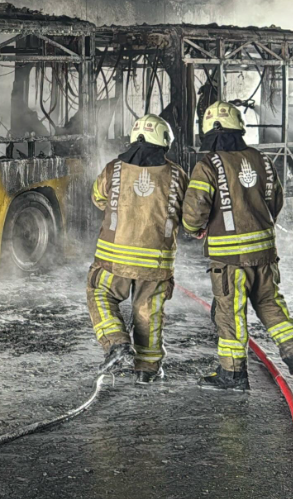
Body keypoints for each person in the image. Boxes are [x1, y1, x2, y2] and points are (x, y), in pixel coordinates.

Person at [182, 101, 293, 391]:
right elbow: (275, 201)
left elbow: (194, 211)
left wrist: (194, 229)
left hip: (231, 259)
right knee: (269, 302)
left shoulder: (209, 165)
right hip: (265, 252)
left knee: (230, 313)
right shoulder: (262, 160)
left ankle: (232, 374)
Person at [87, 114, 188, 384]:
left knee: (100, 293)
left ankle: (117, 343)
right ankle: (147, 370)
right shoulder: (177, 175)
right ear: (164, 141)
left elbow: (97, 198)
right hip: (156, 262)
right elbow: (187, 214)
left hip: (113, 259)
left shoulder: (113, 169)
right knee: (148, 312)